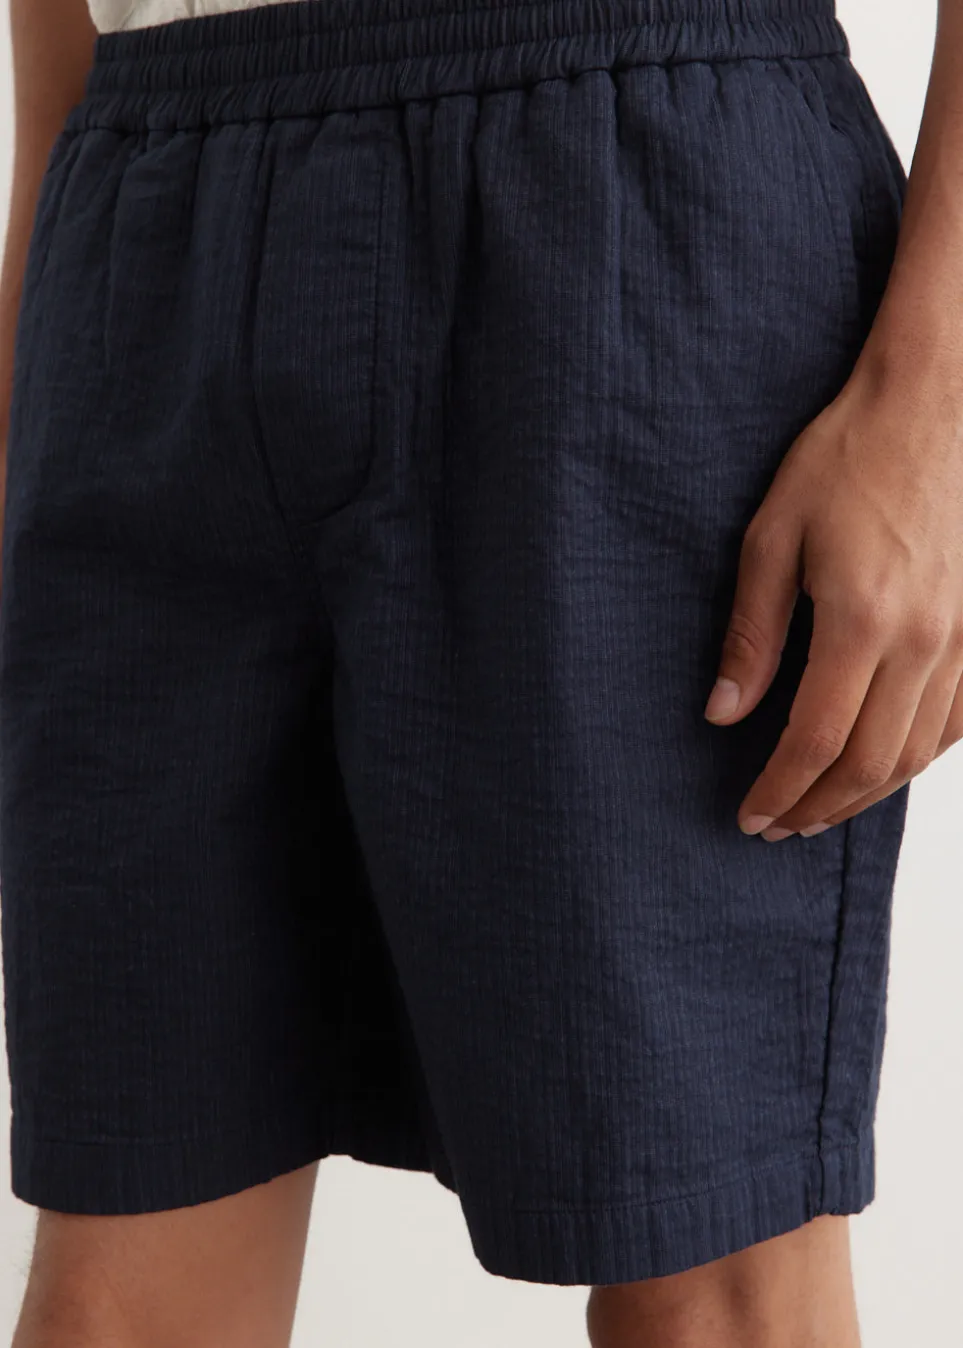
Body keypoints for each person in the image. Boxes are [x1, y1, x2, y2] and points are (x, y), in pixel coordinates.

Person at [0, 0, 958, 1343]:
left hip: (623, 177)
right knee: (116, 1280)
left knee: (711, 1277)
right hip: (137, 218)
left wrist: (943, 394)